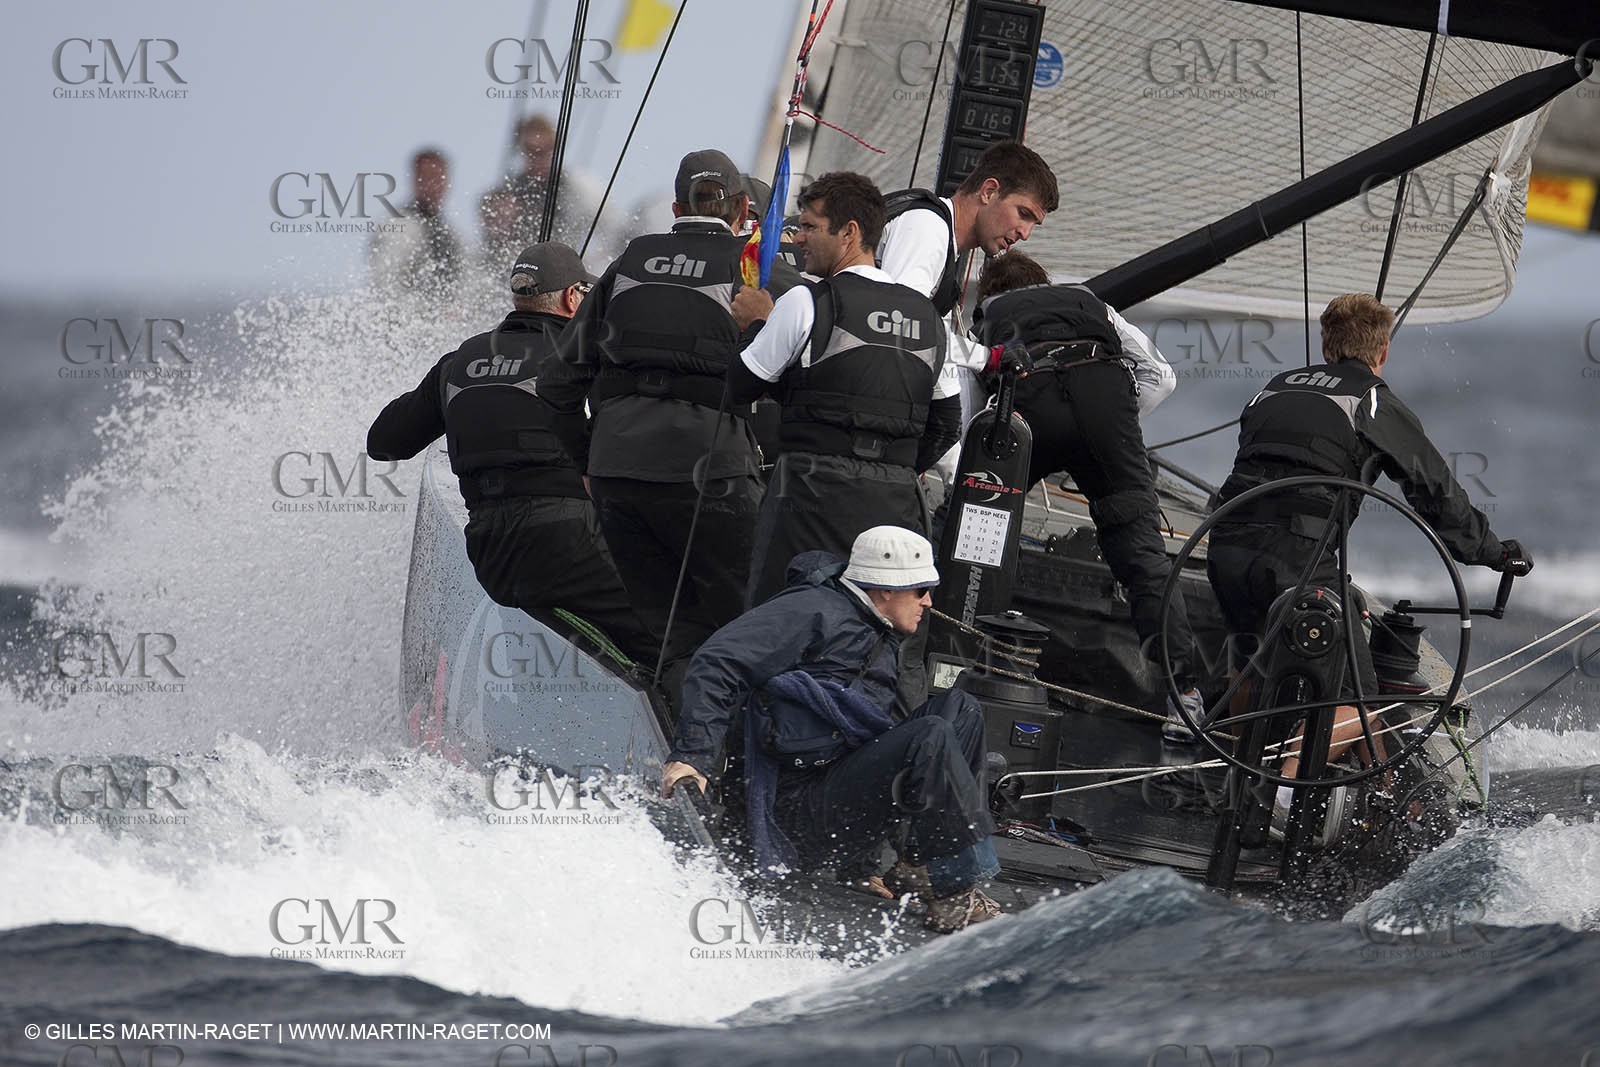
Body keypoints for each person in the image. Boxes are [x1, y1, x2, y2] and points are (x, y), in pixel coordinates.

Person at [1207, 293, 1533, 811]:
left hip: (1224, 548)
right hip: (1296, 559)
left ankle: (1228, 784)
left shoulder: (1273, 388)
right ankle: (1280, 799)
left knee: (1249, 665)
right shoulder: (1373, 399)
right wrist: (1492, 552)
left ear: (1325, 344)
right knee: (1356, 696)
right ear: (1382, 352)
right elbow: (1435, 490)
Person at [660, 526, 1003, 933]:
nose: (929, 602)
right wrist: (691, 757)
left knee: (959, 709)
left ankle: (917, 866)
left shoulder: (875, 626)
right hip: (792, 810)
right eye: (921, 589)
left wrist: (863, 864)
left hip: (832, 792)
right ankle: (956, 891)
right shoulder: (812, 610)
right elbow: (717, 661)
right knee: (929, 734)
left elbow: (863, 741)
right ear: (886, 590)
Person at [538, 150, 799, 677]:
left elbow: (556, 384)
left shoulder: (628, 262)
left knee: (672, 637)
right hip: (713, 475)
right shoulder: (757, 268)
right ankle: (741, 754)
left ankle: (683, 753)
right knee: (752, 624)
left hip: (618, 477)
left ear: (678, 207)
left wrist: (590, 461)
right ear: (745, 207)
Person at [366, 242, 658, 668]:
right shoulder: (587, 357)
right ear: (571, 297)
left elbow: (383, 443)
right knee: (670, 629)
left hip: (492, 556)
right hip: (568, 541)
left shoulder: (457, 362)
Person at [971, 252, 1199, 733]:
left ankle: (955, 659)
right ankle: (1185, 698)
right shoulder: (1086, 299)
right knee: (1143, 556)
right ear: (1044, 282)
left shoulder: (989, 313)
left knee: (980, 530)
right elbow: (1162, 376)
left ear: (989, 290)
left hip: (1030, 402)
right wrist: (1112, 434)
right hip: (1105, 402)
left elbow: (975, 403)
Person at [729, 171, 961, 612]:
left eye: (811, 227)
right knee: (868, 628)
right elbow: (948, 422)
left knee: (780, 618)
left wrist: (755, 324)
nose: (798, 239)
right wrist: (895, 467)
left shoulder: (807, 300)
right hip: (891, 501)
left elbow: (741, 385)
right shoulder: (929, 318)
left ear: (849, 232)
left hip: (810, 494)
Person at [876, 140, 1061, 487]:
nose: (1025, 233)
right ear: (989, 191)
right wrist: (990, 357)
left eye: (1034, 224)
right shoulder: (927, 230)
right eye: (1023, 214)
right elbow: (904, 329)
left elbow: (939, 348)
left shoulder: (946, 247)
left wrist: (961, 472)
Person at [369, 147, 463, 299]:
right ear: (415, 180)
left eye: (440, 178)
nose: (435, 185)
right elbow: (386, 282)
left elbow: (466, 280)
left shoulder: (452, 234)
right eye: (429, 177)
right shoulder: (398, 226)